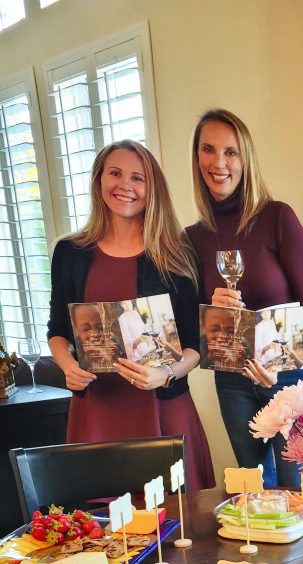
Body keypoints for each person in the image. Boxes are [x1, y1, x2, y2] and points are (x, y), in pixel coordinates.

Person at [47, 140, 215, 492]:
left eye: (137, 177)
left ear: (151, 189)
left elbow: (196, 343)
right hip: (96, 412)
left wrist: (165, 373)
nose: (125, 185)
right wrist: (67, 367)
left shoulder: (177, 254)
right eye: (116, 173)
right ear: (99, 181)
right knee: (104, 531)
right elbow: (59, 331)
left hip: (162, 409)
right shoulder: (69, 253)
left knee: (176, 529)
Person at [186, 108, 303, 488]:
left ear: (245, 159)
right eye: (208, 150)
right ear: (197, 159)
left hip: (288, 369)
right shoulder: (192, 238)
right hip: (232, 374)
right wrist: (211, 308)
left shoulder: (277, 217)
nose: (219, 162)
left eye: (230, 152)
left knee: (297, 486)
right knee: (254, 485)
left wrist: (275, 360)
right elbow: (192, 324)